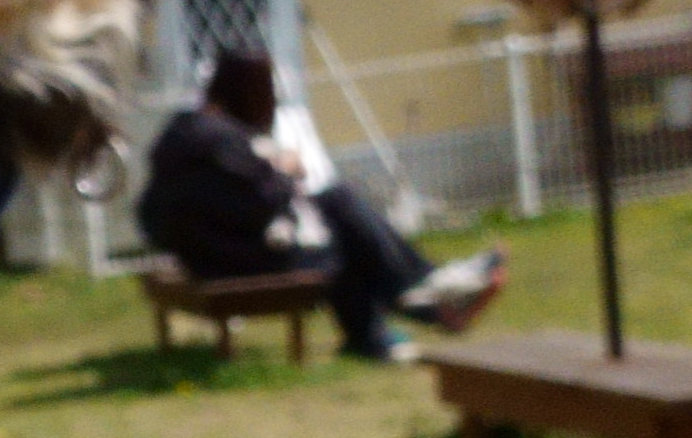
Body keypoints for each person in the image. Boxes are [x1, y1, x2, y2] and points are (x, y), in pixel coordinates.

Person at [140, 51, 502, 361]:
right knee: (338, 215)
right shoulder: (220, 140)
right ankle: (426, 294)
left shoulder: (184, 132)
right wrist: (283, 170)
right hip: (234, 263)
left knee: (336, 220)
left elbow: (154, 214)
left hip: (209, 258)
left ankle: (397, 317)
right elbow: (264, 201)